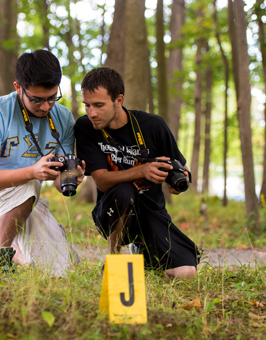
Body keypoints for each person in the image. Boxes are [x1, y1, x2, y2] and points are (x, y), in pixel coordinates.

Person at [0, 50, 84, 277]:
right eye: (36, 99)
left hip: (23, 201)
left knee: (63, 269)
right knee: (28, 183)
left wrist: (68, 178)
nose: (45, 107)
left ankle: (0, 241)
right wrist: (32, 172)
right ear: (18, 88)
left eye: (52, 97)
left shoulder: (63, 118)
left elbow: (55, 183)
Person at [74, 67, 199, 279]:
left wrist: (178, 181)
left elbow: (180, 170)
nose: (91, 113)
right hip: (112, 211)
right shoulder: (86, 127)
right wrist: (142, 170)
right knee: (124, 191)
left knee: (186, 274)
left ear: (118, 100)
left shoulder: (153, 125)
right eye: (87, 105)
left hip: (152, 212)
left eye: (99, 105)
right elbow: (102, 181)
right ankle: (114, 258)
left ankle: (143, 255)